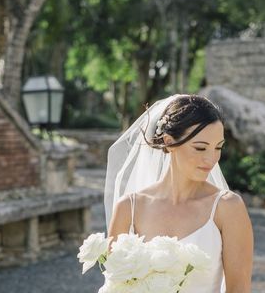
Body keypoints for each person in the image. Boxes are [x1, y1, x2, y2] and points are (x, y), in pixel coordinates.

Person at [105, 94, 254, 293]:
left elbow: (239, 289)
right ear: (169, 142)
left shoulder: (228, 208)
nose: (211, 159)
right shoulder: (127, 208)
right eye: (200, 148)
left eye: (218, 148)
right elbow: (115, 284)